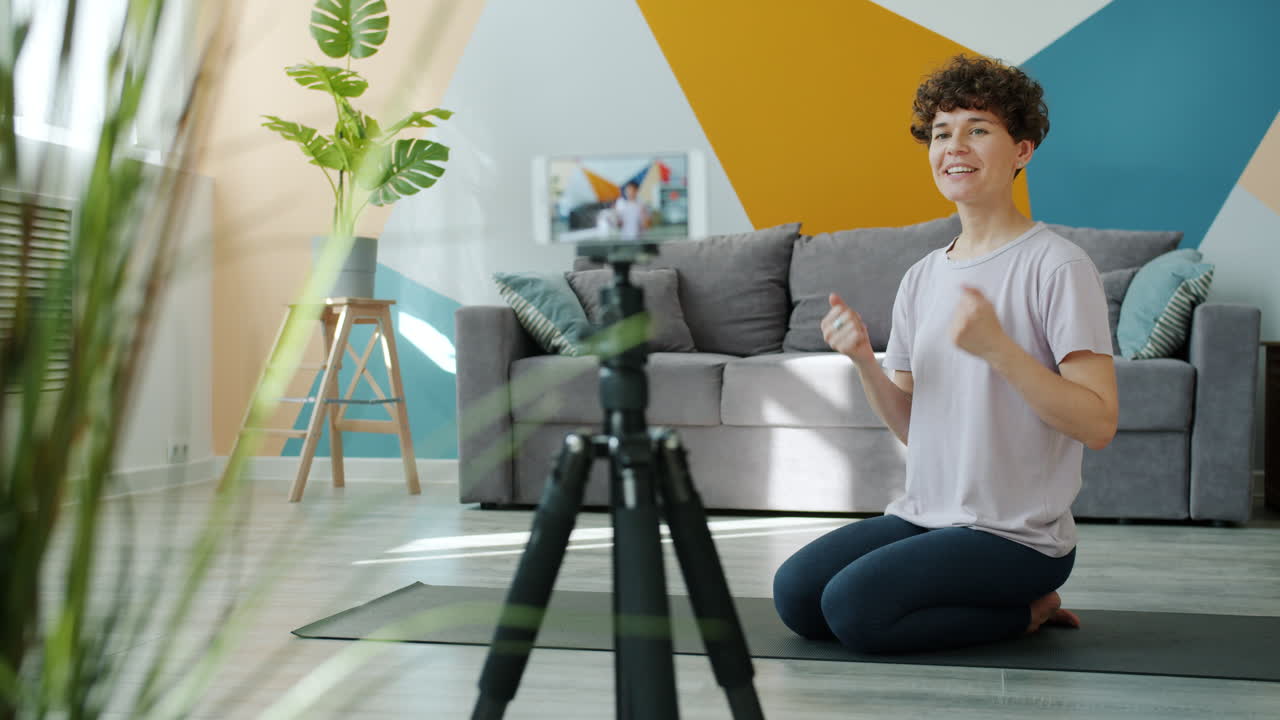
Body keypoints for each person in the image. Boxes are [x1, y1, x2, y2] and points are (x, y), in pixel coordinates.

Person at [772, 54, 1118, 655]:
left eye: (978, 128)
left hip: (1018, 538)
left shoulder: (1058, 266)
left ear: (1022, 151)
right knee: (797, 596)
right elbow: (915, 426)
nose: (955, 145)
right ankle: (999, 606)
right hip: (925, 513)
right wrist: (863, 360)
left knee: (854, 610)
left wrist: (1000, 351)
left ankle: (1029, 610)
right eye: (941, 132)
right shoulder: (923, 276)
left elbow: (1098, 423)